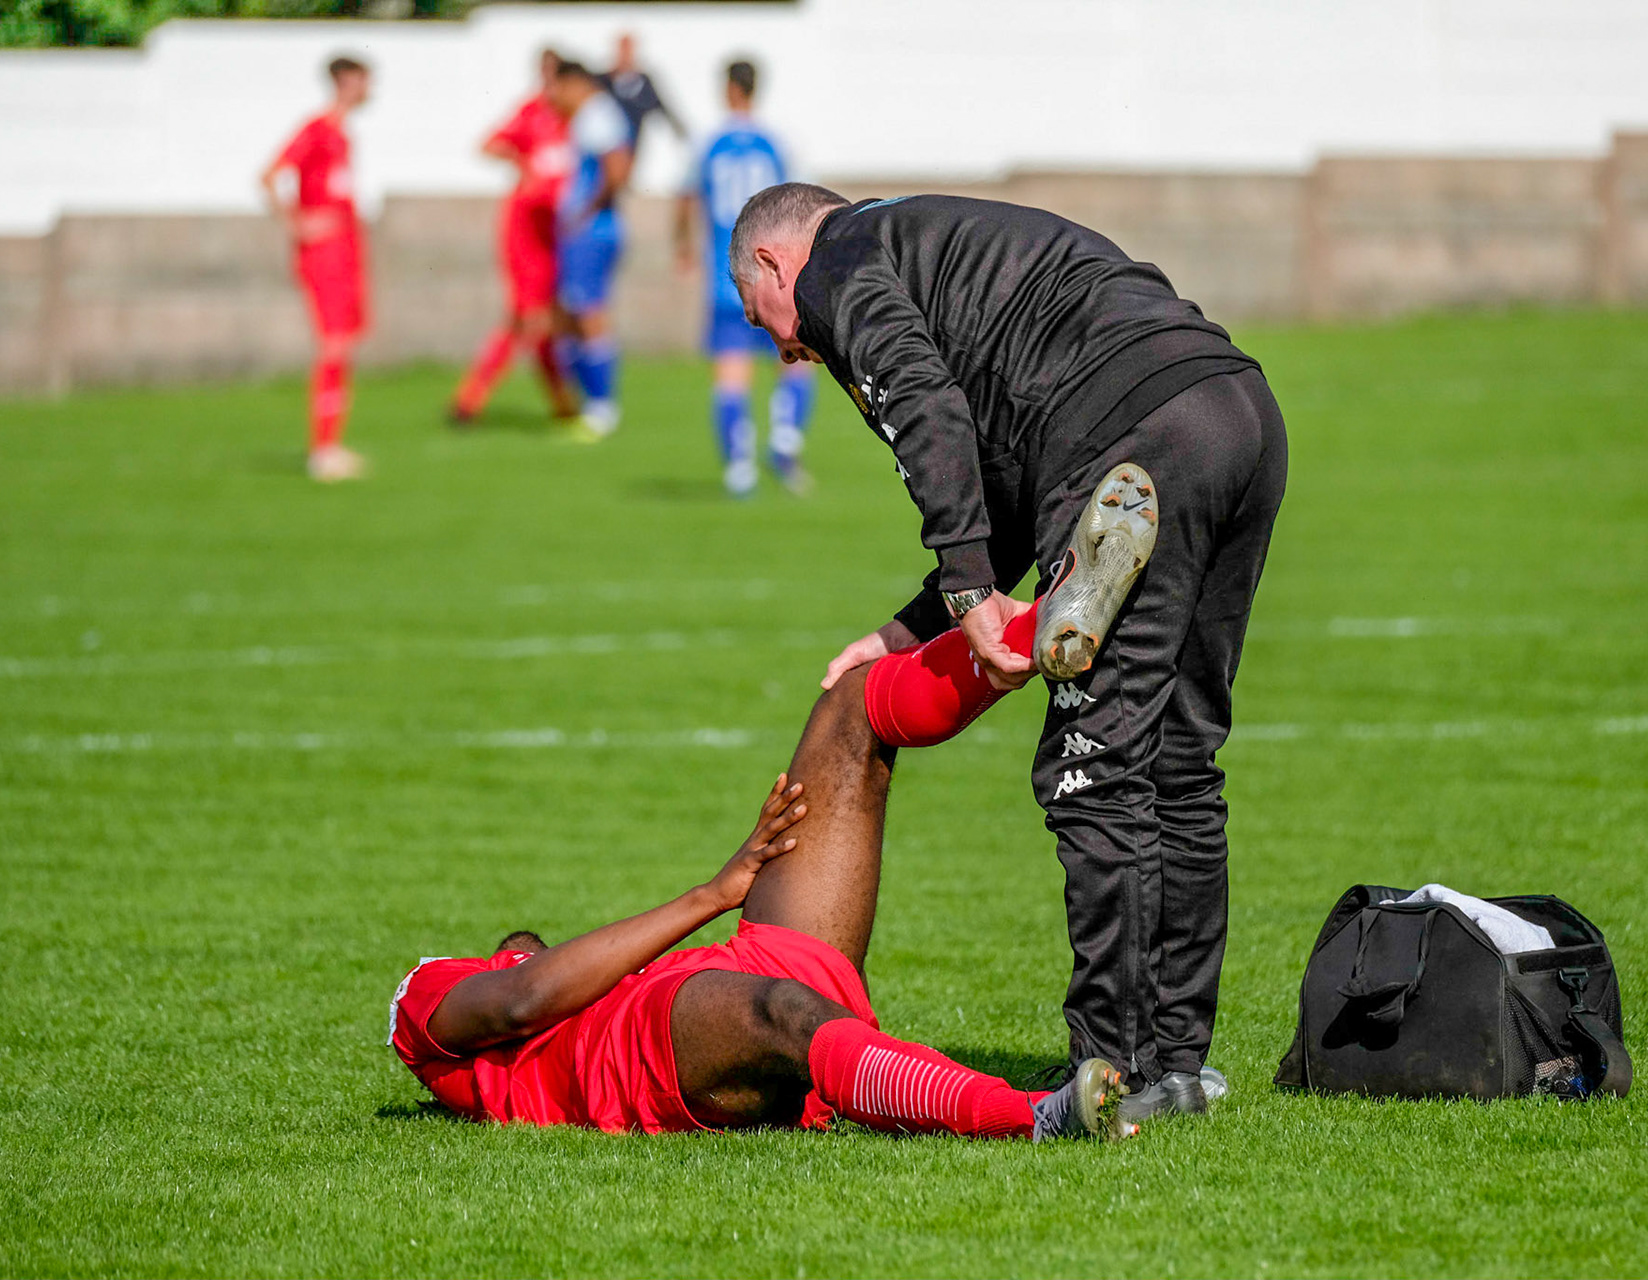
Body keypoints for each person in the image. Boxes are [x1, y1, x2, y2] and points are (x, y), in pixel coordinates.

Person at [728, 184, 1289, 1121]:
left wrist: (968, 589)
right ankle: (1181, 1067)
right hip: (1234, 407)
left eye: (766, 319)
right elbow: (1010, 485)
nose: (787, 346)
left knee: (1093, 772)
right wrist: (915, 627)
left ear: (779, 264)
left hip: (1126, 440)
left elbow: (921, 399)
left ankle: (1113, 1074)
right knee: (1180, 762)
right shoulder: (925, 241)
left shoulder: (838, 264)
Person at [388, 549, 1153, 1139]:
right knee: (785, 1012)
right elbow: (522, 997)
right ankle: (1034, 1117)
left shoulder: (557, 977)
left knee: (852, 705)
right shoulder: (427, 1002)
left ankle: (1040, 624)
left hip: (724, 967)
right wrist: (713, 895)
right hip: (646, 1050)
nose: (525, 946)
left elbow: (535, 978)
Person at [674, 59, 814, 497]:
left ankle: (739, 470)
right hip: (774, 280)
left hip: (725, 278)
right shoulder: (779, 144)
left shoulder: (707, 145)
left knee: (731, 374)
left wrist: (682, 245)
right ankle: (784, 441)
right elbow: (801, 206)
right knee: (796, 363)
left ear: (728, 90)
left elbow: (685, 199)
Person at [449, 49, 578, 426]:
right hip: (525, 229)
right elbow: (488, 144)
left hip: (557, 230)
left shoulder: (575, 119)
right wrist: (523, 163)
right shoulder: (531, 112)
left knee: (540, 321)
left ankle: (560, 402)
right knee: (527, 317)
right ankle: (472, 399)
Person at [261, 55, 372, 483]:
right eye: (362, 80)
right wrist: (297, 223)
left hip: (346, 250)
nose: (367, 90)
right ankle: (322, 452)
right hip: (324, 255)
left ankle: (332, 445)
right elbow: (270, 175)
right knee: (332, 346)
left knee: (343, 345)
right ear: (344, 81)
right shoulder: (317, 129)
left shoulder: (344, 135)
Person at [547, 61, 634, 442]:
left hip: (592, 231)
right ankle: (585, 403)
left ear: (574, 83)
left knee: (589, 313)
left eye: (556, 87)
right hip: (582, 231)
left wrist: (583, 213)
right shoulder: (590, 115)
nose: (553, 96)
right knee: (567, 314)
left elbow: (616, 169)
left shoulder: (597, 113)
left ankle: (602, 408)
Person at [601, 33, 684, 153]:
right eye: (622, 49)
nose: (625, 54)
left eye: (628, 49)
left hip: (635, 145)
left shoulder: (644, 82)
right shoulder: (603, 80)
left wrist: (678, 129)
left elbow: (661, 106)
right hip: (608, 145)